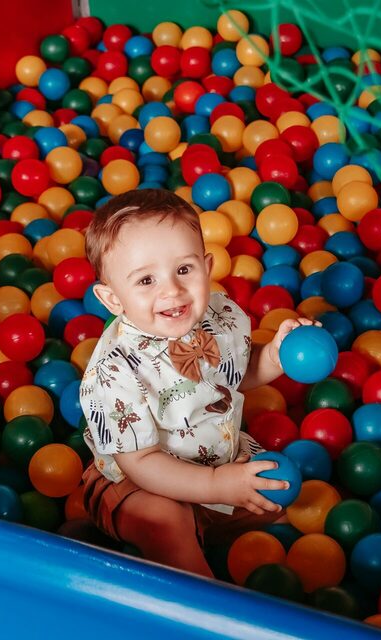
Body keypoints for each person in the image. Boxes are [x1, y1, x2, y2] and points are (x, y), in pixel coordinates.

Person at [78, 188, 317, 577]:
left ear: (206, 267)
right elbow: (139, 463)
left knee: (276, 492)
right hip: (139, 480)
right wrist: (217, 485)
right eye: (146, 280)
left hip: (220, 456)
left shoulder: (220, 316)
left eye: (184, 270)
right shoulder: (113, 371)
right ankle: (207, 610)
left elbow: (235, 376)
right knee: (165, 520)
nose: (171, 290)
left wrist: (273, 355)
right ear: (112, 299)